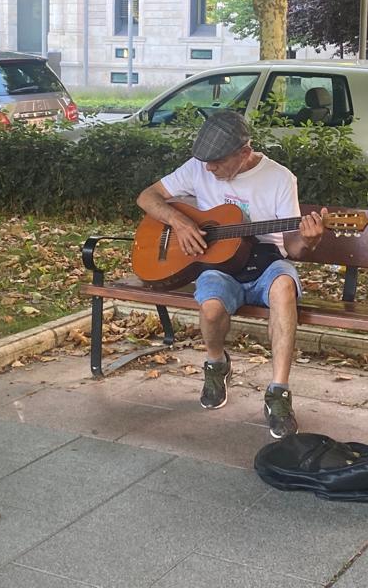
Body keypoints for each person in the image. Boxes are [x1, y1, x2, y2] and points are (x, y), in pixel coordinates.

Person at [136, 110, 326, 439]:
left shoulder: (280, 178)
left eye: (217, 162)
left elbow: (294, 249)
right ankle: (216, 365)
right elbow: (146, 197)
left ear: (244, 152)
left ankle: (278, 393)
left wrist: (310, 240)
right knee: (210, 308)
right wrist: (179, 222)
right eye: (205, 161)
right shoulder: (199, 166)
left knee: (284, 286)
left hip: (267, 263)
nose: (208, 168)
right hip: (218, 265)